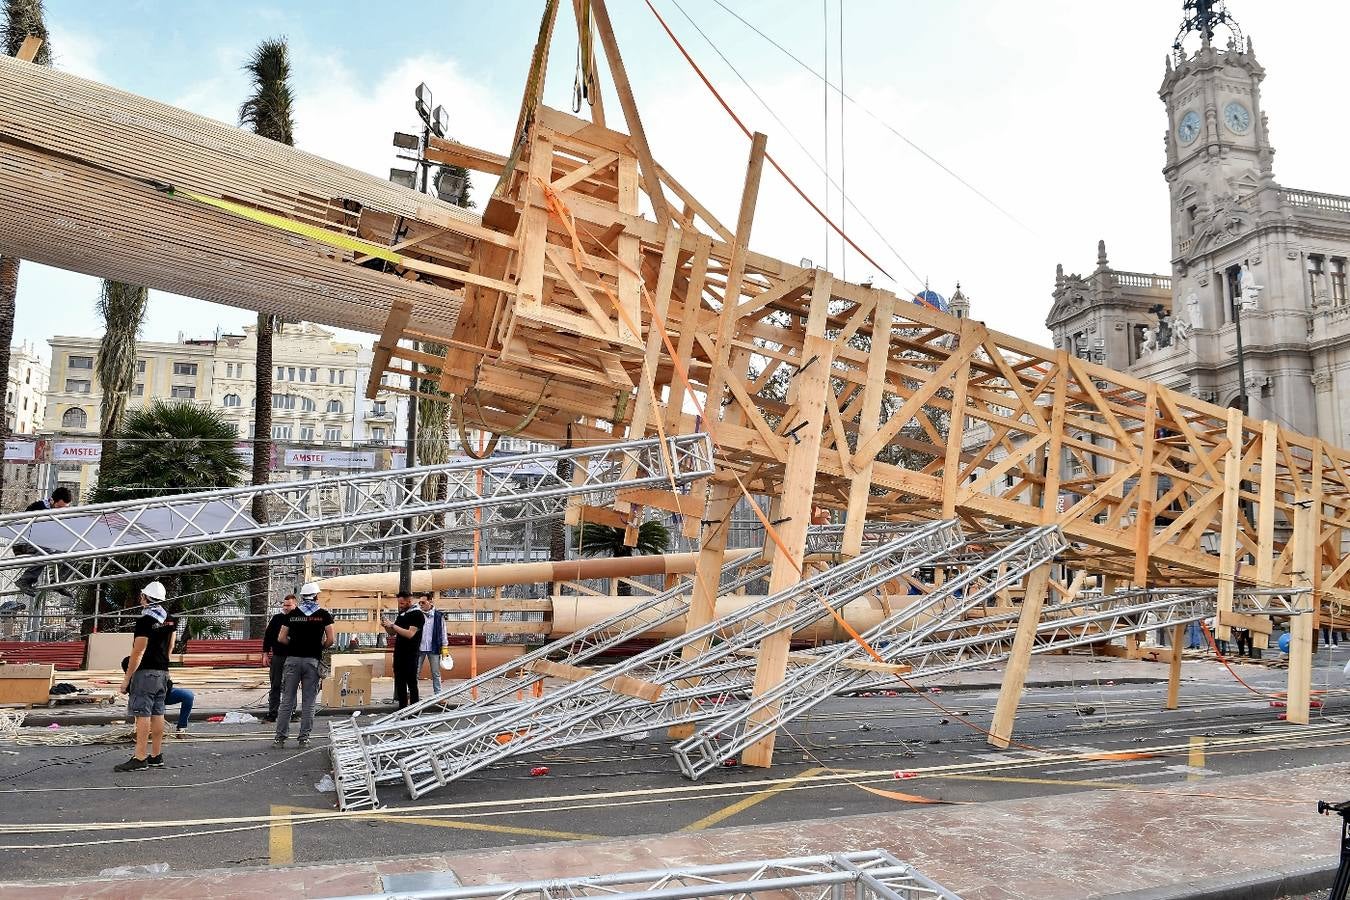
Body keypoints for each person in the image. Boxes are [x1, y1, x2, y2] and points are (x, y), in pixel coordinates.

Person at [115, 580, 177, 772]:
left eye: (142, 596)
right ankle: (156, 756)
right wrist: (163, 667)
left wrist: (126, 679)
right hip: (162, 672)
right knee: (158, 713)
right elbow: (170, 647)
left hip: (145, 673)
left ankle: (140, 757)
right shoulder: (169, 618)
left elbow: (137, 653)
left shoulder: (145, 621)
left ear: (145, 598)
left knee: (143, 715)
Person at [273, 582, 333, 748]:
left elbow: (281, 638)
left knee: (287, 700)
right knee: (309, 702)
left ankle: (280, 738)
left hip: (292, 660)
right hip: (312, 662)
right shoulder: (323, 615)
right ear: (316, 596)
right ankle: (303, 738)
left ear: (302, 597)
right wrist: (319, 647)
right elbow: (331, 639)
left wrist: (293, 645)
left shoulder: (292, 615)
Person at [15, 487, 74, 597]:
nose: (60, 510)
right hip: (25, 543)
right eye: (59, 507)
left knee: (74, 551)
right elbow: (23, 528)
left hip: (47, 544)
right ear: (52, 501)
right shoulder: (37, 507)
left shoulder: (63, 513)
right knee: (47, 549)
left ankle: (58, 582)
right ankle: (25, 580)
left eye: (64, 508)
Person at [122, 655, 194, 732]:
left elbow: (168, 683)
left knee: (188, 695)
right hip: (146, 702)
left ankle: (181, 727)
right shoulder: (131, 680)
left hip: (164, 695)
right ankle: (144, 730)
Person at [384, 591, 424, 709]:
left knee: (411, 682)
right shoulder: (402, 614)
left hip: (411, 653)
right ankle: (402, 708)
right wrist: (387, 626)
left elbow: (410, 634)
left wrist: (393, 625)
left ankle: (414, 708)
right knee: (400, 682)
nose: (400, 605)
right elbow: (393, 633)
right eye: (399, 603)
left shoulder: (417, 614)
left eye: (402, 603)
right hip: (399, 653)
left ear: (409, 601)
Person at [262, 594, 298, 723]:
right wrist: (265, 654)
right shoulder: (277, 619)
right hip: (278, 656)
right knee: (275, 685)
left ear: (295, 605)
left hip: (293, 657)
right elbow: (268, 636)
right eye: (284, 605)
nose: (286, 607)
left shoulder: (300, 619)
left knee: (290, 686)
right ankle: (273, 713)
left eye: (289, 605)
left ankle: (291, 713)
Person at [417, 593, 448, 695]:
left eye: (423, 602)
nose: (421, 604)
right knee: (415, 672)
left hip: (434, 647)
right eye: (419, 602)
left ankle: (438, 695)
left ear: (430, 602)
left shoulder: (439, 616)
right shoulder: (417, 615)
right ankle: (411, 694)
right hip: (419, 648)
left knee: (436, 673)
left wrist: (445, 649)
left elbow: (443, 632)